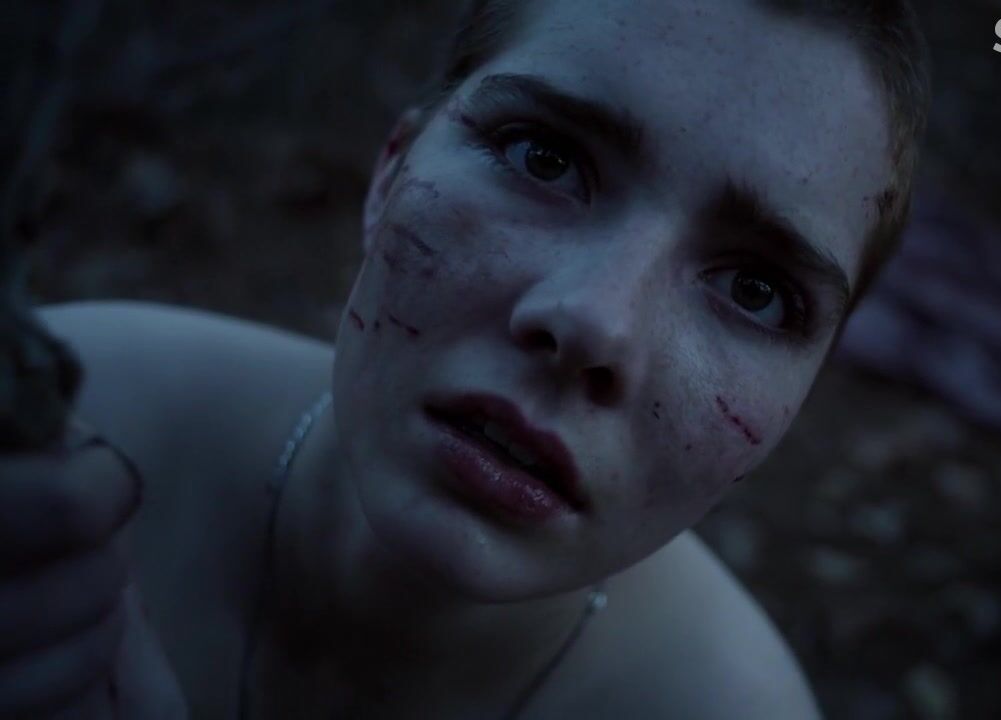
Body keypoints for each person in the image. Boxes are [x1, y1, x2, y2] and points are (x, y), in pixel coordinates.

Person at [1, 0, 929, 716]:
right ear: (391, 173)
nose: (595, 323)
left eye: (756, 290)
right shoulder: (64, 437)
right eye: (543, 158)